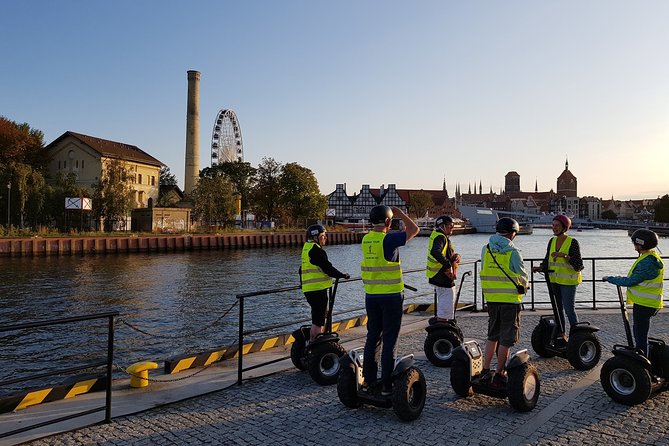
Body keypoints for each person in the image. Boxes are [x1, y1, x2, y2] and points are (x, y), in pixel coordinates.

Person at [361, 205, 419, 396]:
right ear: (388, 221)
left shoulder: (366, 239)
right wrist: (401, 214)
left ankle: (369, 382)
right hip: (392, 296)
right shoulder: (388, 239)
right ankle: (386, 384)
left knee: (372, 338)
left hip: (371, 296)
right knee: (390, 339)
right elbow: (414, 230)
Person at [479, 217, 528, 388]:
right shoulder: (513, 251)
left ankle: (485, 370)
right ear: (512, 233)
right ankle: (499, 373)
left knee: (492, 335)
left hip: (491, 299)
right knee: (506, 339)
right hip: (509, 300)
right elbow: (522, 277)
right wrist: (524, 286)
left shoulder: (486, 249)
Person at [603, 229, 664, 357]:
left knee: (640, 335)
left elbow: (632, 281)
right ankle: (643, 356)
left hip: (644, 305)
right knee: (640, 332)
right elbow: (639, 278)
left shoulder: (647, 262)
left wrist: (611, 279)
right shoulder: (651, 257)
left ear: (640, 244)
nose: (634, 247)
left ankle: (642, 363)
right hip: (651, 303)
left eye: (635, 244)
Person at [532, 214, 584, 341]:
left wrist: (564, 256)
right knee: (557, 309)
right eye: (553, 225)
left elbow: (579, 265)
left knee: (569, 309)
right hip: (554, 280)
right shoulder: (552, 241)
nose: (554, 228)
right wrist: (540, 267)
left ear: (564, 227)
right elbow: (547, 258)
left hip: (568, 281)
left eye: (557, 226)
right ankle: (561, 334)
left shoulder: (572, 242)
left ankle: (576, 335)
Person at [299, 224, 350, 342]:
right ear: (316, 237)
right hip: (317, 290)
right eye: (323, 235)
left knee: (316, 317)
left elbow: (301, 269)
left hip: (309, 289)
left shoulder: (307, 247)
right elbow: (328, 268)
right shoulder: (317, 251)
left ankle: (311, 342)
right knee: (319, 320)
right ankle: (316, 344)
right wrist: (342, 275)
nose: (325, 238)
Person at [426, 215, 461, 321]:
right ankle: (442, 328)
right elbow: (435, 251)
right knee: (446, 307)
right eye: (450, 225)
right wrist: (448, 265)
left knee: (444, 304)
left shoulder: (440, 236)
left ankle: (442, 325)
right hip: (442, 277)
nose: (452, 227)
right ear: (442, 226)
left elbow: (444, 253)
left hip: (438, 276)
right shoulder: (440, 237)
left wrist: (455, 256)